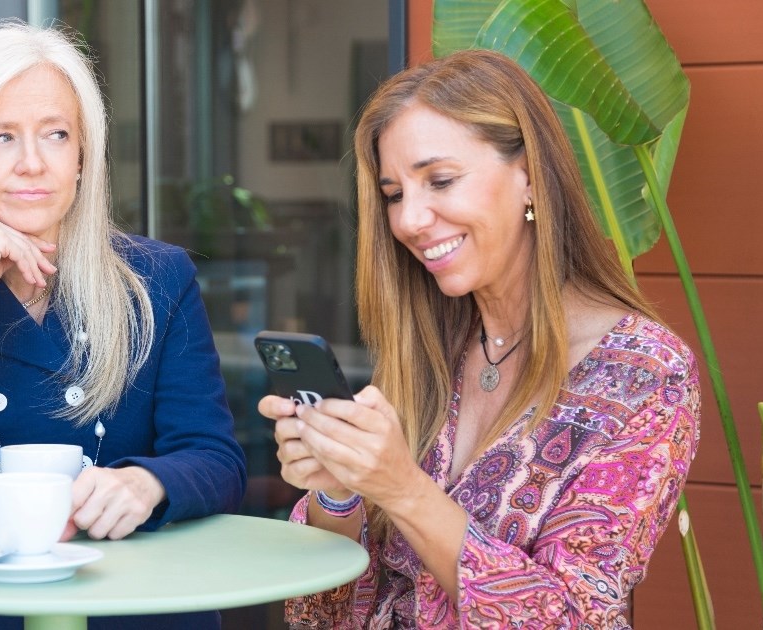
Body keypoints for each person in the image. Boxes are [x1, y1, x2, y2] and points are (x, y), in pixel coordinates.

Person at [259, 49, 700, 629]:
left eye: (440, 180)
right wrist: (338, 490)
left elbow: (572, 618)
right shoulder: (429, 344)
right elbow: (323, 612)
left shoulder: (645, 376)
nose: (410, 220)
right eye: (394, 194)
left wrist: (403, 488)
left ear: (530, 179)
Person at [0, 22, 247, 629]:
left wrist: (149, 483)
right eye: (1, 137)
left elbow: (215, 457)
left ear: (83, 156)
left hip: (136, 604)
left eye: (56, 134)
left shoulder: (158, 279)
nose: (33, 164)